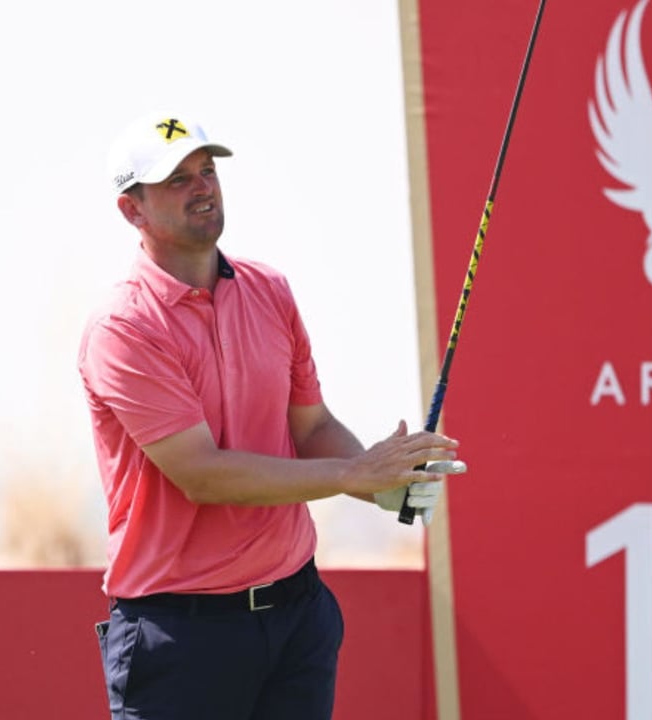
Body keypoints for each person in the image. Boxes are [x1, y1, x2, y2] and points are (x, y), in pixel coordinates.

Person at [78, 111, 465, 720]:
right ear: (133, 211)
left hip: (295, 620)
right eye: (177, 180)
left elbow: (311, 428)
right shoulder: (124, 327)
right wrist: (353, 475)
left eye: (207, 171)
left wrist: (385, 482)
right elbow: (203, 475)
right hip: (179, 633)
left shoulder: (270, 290)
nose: (202, 187)